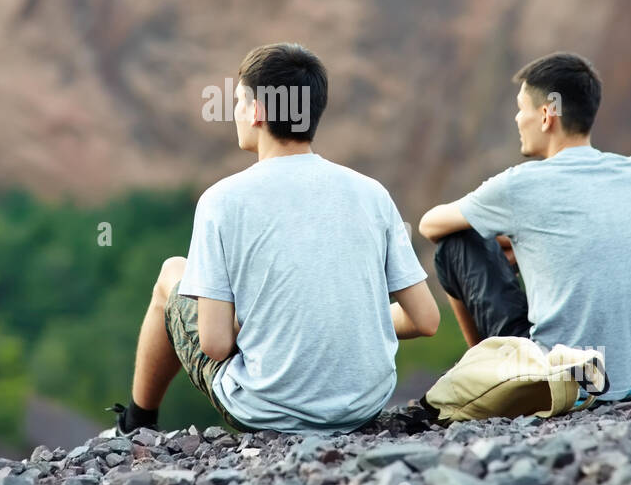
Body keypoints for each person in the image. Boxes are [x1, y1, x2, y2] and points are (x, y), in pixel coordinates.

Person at [107, 42, 440, 435]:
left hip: (264, 410)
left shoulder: (222, 200)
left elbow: (214, 345)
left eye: (238, 101)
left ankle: (136, 424)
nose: (234, 113)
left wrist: (266, 326)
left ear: (259, 111)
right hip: (364, 406)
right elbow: (426, 319)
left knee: (171, 274)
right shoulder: (372, 193)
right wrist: (345, 321)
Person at [417, 51, 631, 401]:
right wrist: (523, 242)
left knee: (456, 242)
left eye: (522, 108)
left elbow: (430, 225)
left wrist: (507, 239)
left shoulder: (520, 185)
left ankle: (485, 371)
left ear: (547, 114)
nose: (518, 119)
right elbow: (587, 234)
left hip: (559, 379)